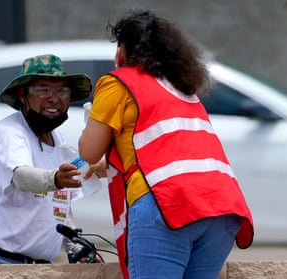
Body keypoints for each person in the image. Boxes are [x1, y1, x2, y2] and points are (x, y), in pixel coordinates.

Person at [78, 9, 254, 279]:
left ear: (122, 51)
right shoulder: (181, 87)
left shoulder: (119, 82)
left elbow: (88, 151)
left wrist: (92, 120)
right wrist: (105, 169)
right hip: (222, 209)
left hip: (168, 205)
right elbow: (163, 153)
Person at [0, 54, 93, 264]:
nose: (54, 98)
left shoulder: (56, 139)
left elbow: (60, 204)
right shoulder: (10, 133)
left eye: (62, 90)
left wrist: (75, 246)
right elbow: (22, 177)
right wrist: (54, 179)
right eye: (43, 90)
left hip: (37, 266)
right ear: (22, 95)